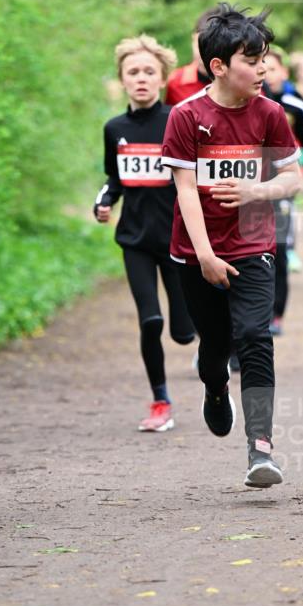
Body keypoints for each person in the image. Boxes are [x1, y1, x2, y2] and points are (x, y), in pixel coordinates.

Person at [162, 3, 301, 488]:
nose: (262, 68)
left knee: (255, 338)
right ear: (218, 66)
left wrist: (257, 191)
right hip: (195, 250)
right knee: (215, 347)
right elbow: (184, 192)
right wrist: (204, 256)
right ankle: (216, 390)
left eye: (265, 58)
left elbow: (293, 178)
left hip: (254, 243)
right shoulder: (186, 117)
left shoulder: (271, 115)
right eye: (251, 59)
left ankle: (260, 448)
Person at [94, 34, 196, 432]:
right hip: (134, 240)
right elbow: (113, 179)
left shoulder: (177, 120)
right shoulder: (114, 128)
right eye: (132, 72)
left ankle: (199, 350)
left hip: (176, 239)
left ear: (162, 78)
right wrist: (103, 202)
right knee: (150, 320)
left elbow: (192, 178)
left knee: (185, 332)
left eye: (148, 71)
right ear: (122, 79)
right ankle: (160, 401)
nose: (141, 78)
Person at [263, 48, 303, 334]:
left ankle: (276, 315)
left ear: (284, 73)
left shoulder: (296, 105)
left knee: (279, 248)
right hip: (251, 183)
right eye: (263, 66)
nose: (267, 73)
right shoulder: (247, 103)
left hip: (283, 183)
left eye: (273, 68)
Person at [165, 9, 213, 106]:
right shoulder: (174, 81)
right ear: (193, 39)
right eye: (199, 44)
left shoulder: (238, 81)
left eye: (211, 45)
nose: (204, 51)